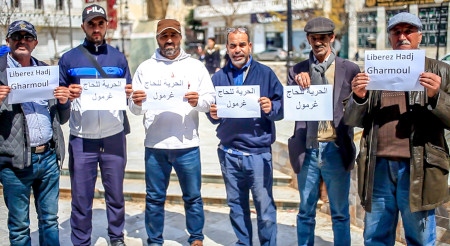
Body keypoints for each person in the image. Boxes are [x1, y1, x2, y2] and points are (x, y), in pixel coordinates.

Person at [344, 12, 450, 245]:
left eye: (408, 31)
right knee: (376, 238)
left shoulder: (440, 71)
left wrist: (436, 97)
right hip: (378, 166)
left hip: (419, 168)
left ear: (419, 36)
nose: (402, 36)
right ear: (390, 36)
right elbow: (352, 118)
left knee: (420, 240)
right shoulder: (375, 70)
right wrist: (359, 97)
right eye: (396, 32)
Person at [128, 19, 215, 246]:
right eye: (164, 36)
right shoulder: (145, 68)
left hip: (187, 146)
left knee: (193, 196)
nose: (169, 40)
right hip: (156, 146)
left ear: (180, 38)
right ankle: (154, 240)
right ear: (157, 38)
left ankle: (196, 237)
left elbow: (210, 99)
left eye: (173, 35)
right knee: (154, 198)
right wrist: (136, 102)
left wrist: (198, 102)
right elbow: (134, 108)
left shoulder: (195, 66)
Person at [58, 4, 132, 246]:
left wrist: (131, 95)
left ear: (107, 25)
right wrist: (67, 94)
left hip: (113, 135)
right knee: (80, 196)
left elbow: (129, 96)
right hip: (82, 137)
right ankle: (81, 240)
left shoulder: (119, 58)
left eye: (100, 23)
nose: (96, 28)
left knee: (116, 194)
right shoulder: (69, 59)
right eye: (91, 23)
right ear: (84, 26)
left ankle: (116, 237)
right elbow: (59, 100)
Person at [207, 26, 283, 246]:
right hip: (229, 154)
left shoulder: (266, 74)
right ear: (227, 48)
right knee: (236, 207)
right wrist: (212, 113)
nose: (237, 50)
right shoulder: (219, 77)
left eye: (242, 44)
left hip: (258, 154)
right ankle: (243, 243)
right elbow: (213, 114)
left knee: (265, 208)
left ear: (250, 46)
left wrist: (271, 106)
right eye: (233, 45)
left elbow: (282, 107)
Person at [287, 17, 360, 246]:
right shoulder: (296, 70)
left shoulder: (349, 69)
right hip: (308, 148)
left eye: (323, 38)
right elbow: (290, 106)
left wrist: (361, 95)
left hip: (336, 149)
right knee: (306, 211)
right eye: (314, 38)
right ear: (308, 39)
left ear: (332, 38)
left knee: (339, 213)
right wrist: (297, 83)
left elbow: (358, 108)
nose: (318, 42)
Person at [0, 20, 70, 245]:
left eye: (27, 37)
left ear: (35, 43)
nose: (22, 41)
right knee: (20, 227)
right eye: (16, 37)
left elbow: (62, 117)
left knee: (49, 220)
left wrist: (63, 102)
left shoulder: (45, 71)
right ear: (8, 41)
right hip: (16, 163)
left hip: (48, 158)